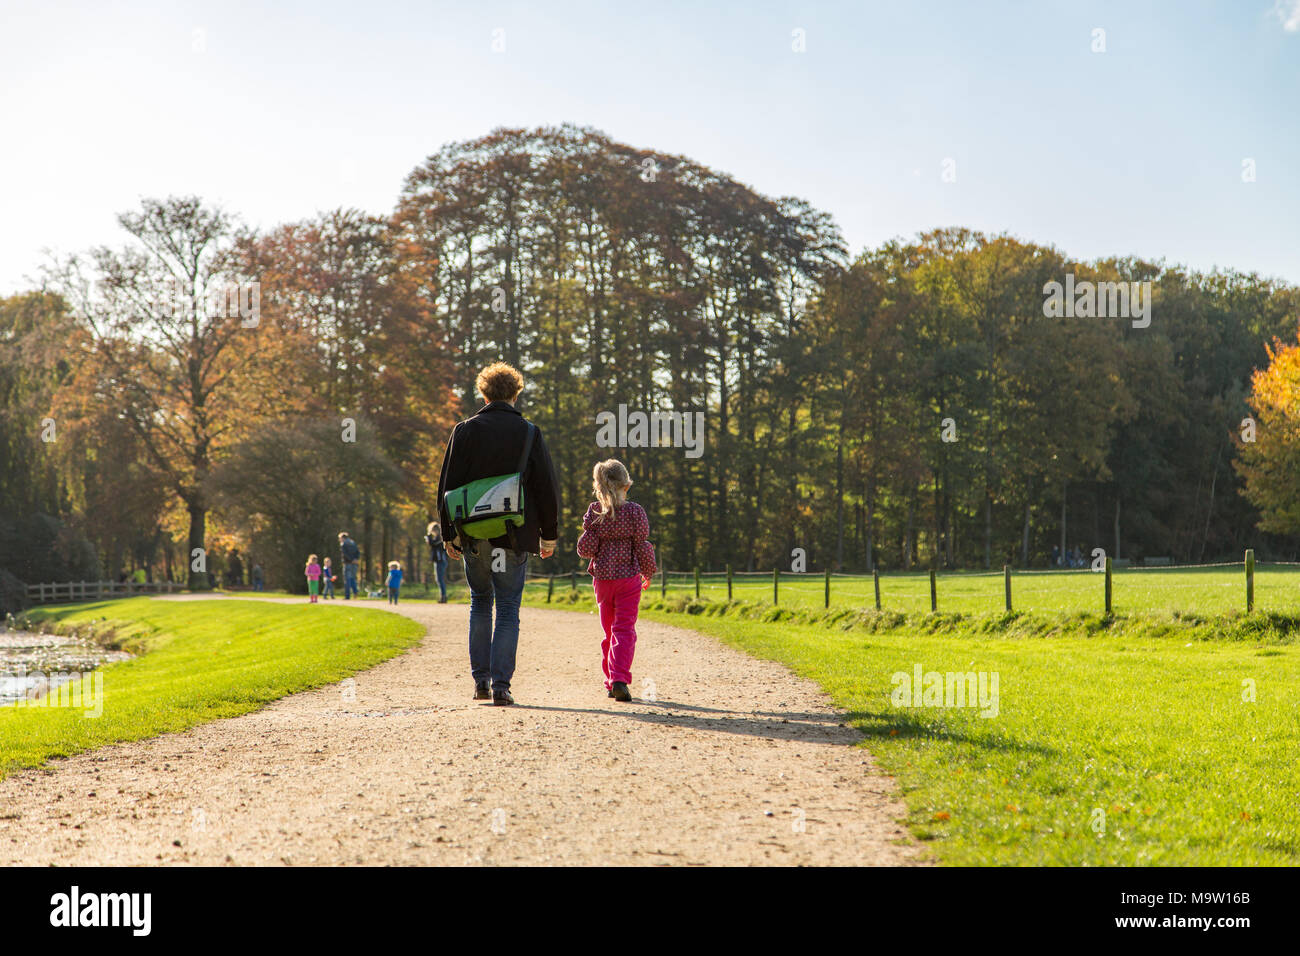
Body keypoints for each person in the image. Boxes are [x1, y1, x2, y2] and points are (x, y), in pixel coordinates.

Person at [437, 362, 561, 706]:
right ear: (516, 393)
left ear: (484, 393)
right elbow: (546, 486)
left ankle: (480, 682)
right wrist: (548, 534)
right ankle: (502, 686)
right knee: (507, 606)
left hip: (473, 534)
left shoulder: (463, 430)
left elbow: (446, 485)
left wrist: (449, 533)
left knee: (480, 602)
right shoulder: (529, 432)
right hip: (513, 533)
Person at [576, 459, 656, 702]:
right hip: (629, 579)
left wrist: (593, 532)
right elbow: (641, 545)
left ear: (599, 487)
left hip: (603, 580)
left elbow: (585, 550)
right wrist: (649, 571)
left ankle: (610, 681)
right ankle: (619, 678)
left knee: (609, 632)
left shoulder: (595, 512)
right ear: (626, 486)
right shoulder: (635, 512)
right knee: (624, 630)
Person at [426, 520, 449, 603]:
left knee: (440, 579)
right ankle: (443, 596)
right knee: (439, 579)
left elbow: (433, 544)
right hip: (438, 561)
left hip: (441, 561)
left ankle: (444, 596)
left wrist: (428, 537)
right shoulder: (438, 538)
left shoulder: (440, 538)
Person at [339, 532, 361, 599]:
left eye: (340, 538)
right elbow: (358, 552)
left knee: (347, 579)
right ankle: (355, 592)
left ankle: (347, 595)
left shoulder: (343, 544)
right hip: (354, 563)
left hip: (348, 563)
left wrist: (351, 560)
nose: (339, 540)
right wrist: (356, 559)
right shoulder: (353, 543)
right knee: (353, 578)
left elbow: (345, 554)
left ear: (343, 538)